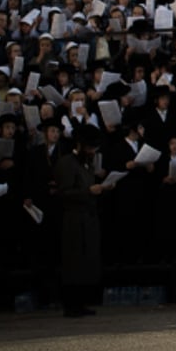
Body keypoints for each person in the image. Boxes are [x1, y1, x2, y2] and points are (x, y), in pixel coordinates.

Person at [56, 123, 105, 318]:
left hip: (87, 217)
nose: (93, 151)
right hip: (73, 219)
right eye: (90, 147)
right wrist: (88, 191)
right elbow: (64, 192)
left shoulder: (86, 163)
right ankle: (71, 303)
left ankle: (81, 302)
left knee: (85, 261)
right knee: (73, 261)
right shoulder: (67, 163)